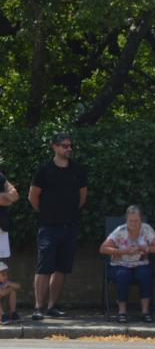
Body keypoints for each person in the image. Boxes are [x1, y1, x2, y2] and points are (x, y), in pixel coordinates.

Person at [28, 133, 89, 320]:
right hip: (48, 227)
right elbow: (33, 197)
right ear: (55, 147)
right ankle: (38, 308)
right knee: (44, 268)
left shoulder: (77, 170)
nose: (68, 149)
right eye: (64, 146)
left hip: (70, 226)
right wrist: (47, 213)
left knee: (61, 268)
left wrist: (67, 213)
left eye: (70, 146)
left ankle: (52, 306)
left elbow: (82, 197)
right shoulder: (44, 170)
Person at [99, 205, 155, 323]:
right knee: (123, 275)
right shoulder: (120, 230)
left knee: (145, 273)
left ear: (141, 220)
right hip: (121, 263)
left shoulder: (147, 229)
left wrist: (144, 248)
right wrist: (121, 251)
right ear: (126, 220)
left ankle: (145, 311)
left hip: (141, 262)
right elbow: (103, 248)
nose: (133, 223)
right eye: (130, 221)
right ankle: (122, 311)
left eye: (136, 220)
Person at [0, 168, 18, 260]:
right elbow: (5, 200)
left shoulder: (1, 176)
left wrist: (4, 197)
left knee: (2, 270)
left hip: (2, 228)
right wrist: (7, 197)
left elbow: (15, 195)